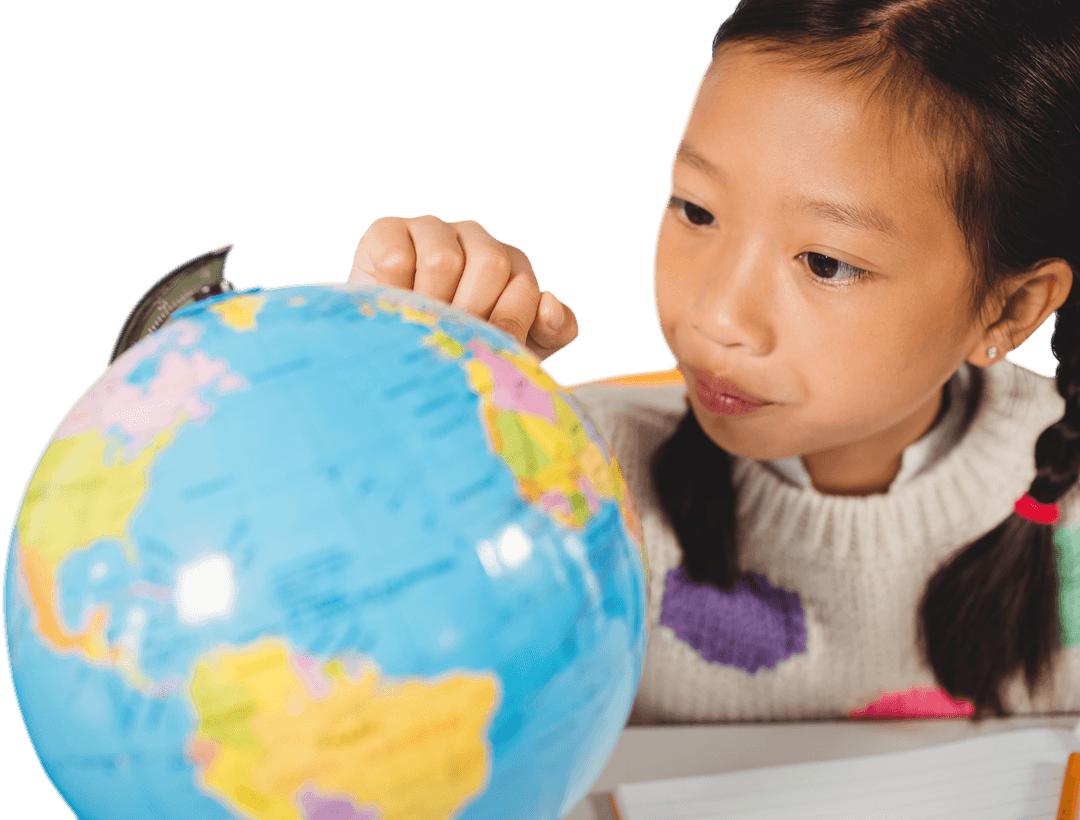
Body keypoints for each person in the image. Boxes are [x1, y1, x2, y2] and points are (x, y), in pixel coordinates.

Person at [345, 0, 1080, 723]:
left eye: (825, 262)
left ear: (1012, 309)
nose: (716, 316)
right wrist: (407, 427)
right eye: (696, 210)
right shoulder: (578, 484)